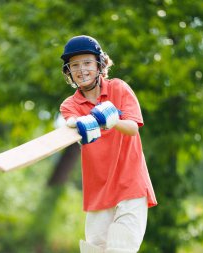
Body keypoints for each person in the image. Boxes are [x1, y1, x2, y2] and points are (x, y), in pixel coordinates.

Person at [59, 35, 158, 253]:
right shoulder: (70, 105)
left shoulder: (119, 89)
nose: (81, 69)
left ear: (100, 65)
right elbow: (71, 122)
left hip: (130, 185)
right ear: (68, 71)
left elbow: (132, 128)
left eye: (87, 63)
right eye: (74, 65)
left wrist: (111, 121)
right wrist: (76, 123)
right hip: (98, 193)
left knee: (120, 249)